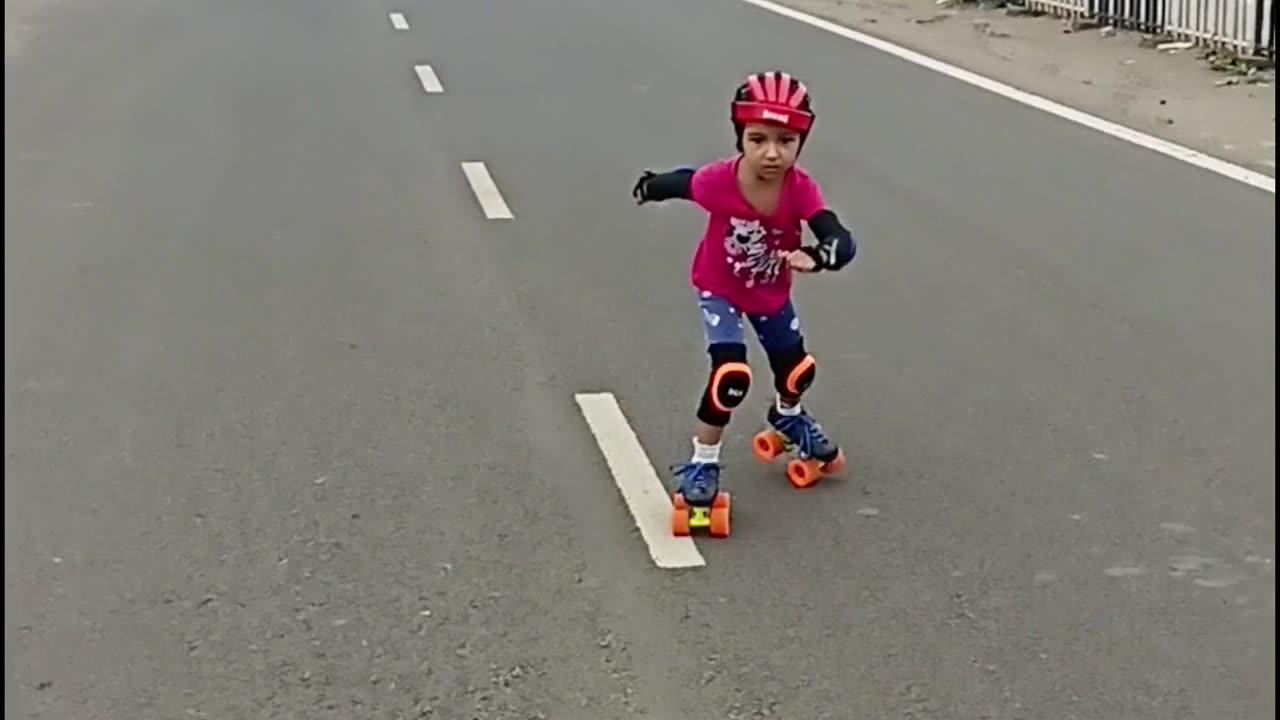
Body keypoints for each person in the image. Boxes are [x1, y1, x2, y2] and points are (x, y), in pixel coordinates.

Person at [631, 70, 858, 508]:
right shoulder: (721, 181)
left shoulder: (799, 189)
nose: (771, 153)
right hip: (720, 288)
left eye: (785, 141)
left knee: (798, 371)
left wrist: (819, 254)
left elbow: (839, 237)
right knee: (730, 377)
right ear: (741, 138)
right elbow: (684, 181)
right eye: (758, 140)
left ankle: (787, 417)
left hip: (769, 293)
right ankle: (703, 461)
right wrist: (650, 186)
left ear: (800, 143)